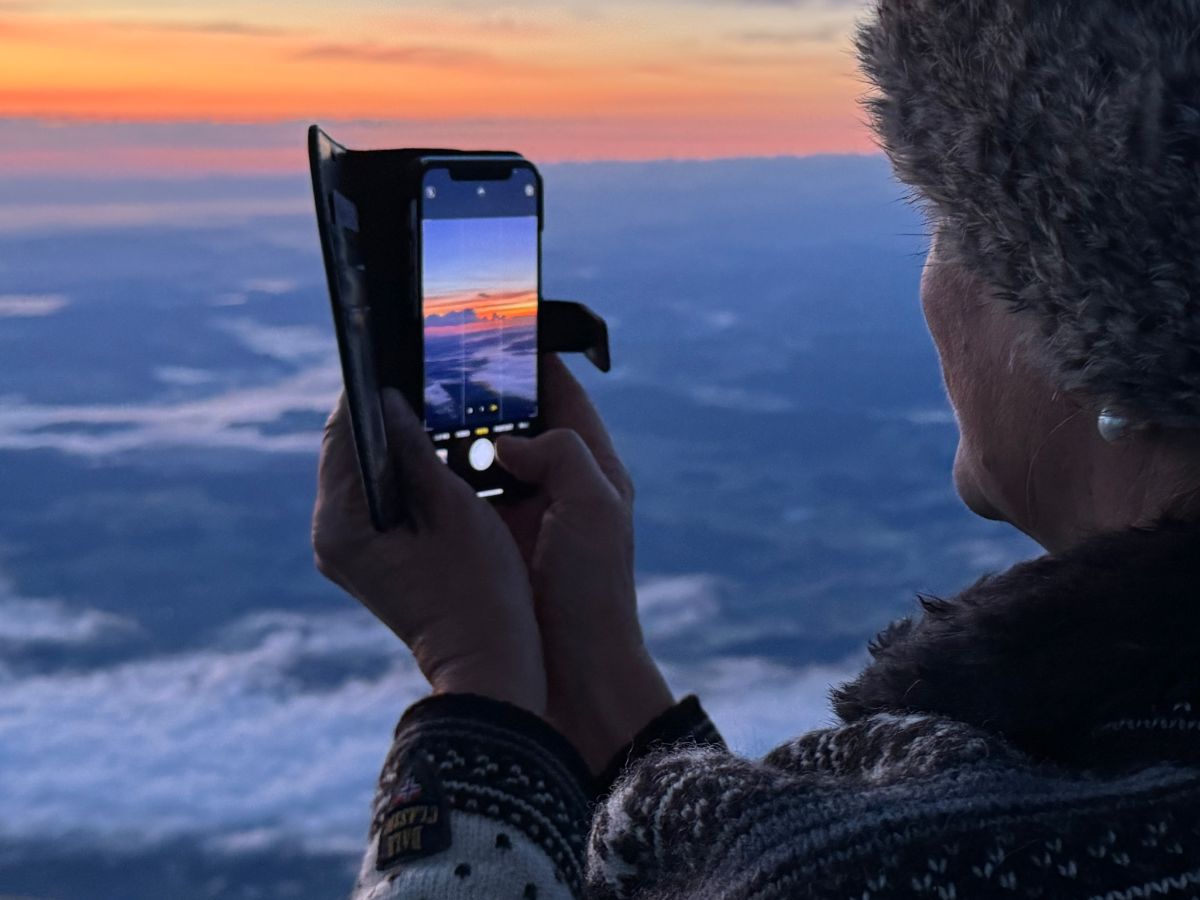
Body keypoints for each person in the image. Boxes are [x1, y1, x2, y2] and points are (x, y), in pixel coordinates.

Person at [313, 1, 1200, 896]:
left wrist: (477, 683)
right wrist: (591, 652)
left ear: (1093, 324)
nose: (929, 284)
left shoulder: (920, 868)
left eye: (947, 225)